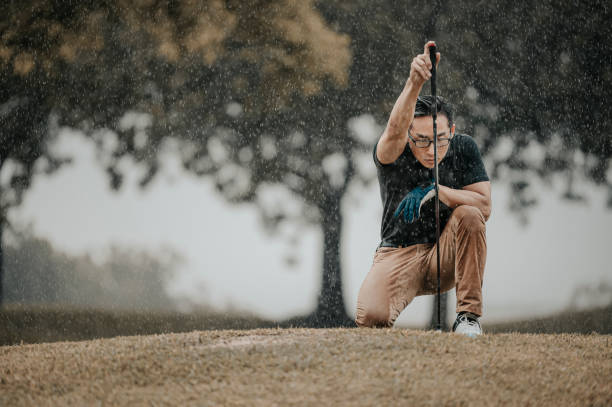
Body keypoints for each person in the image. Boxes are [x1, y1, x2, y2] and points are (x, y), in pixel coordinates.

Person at [355, 41, 492, 336]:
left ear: (452, 131)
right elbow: (394, 129)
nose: (431, 149)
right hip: (398, 253)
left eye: (440, 139)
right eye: (420, 140)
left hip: (446, 254)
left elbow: (484, 206)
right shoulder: (395, 149)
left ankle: (468, 318)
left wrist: (441, 191)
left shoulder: (464, 147)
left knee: (469, 214)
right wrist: (415, 81)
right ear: (409, 135)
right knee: (371, 319)